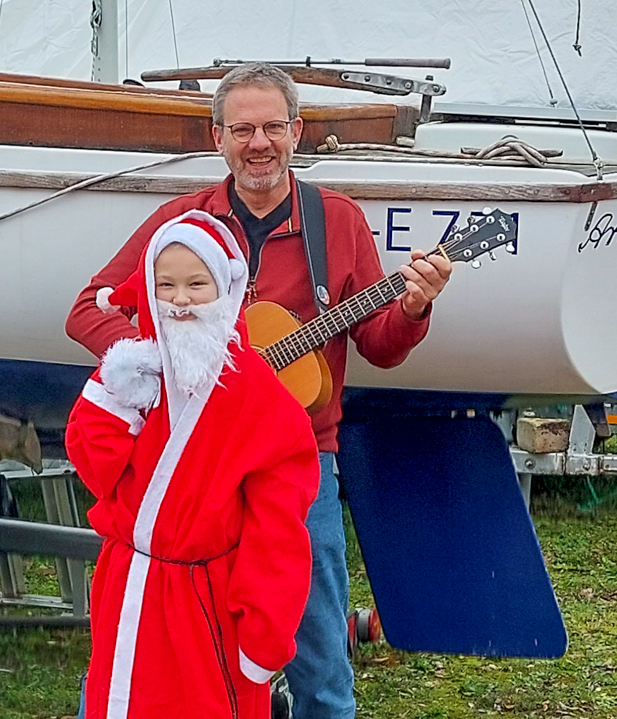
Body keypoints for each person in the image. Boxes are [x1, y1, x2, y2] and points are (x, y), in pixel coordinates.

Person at [67, 62, 453, 719]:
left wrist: (413, 309)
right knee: (144, 629)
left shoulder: (337, 223)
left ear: (297, 131)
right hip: (191, 464)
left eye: (273, 126)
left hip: (301, 462)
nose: (259, 143)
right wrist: (156, 361)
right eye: (242, 128)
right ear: (216, 136)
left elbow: (380, 347)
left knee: (318, 653)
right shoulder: (181, 224)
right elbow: (87, 309)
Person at [66, 209, 320, 719]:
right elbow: (98, 475)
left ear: (224, 288)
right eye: (166, 285)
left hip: (206, 604)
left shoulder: (259, 396)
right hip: (129, 584)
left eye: (196, 284)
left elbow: (277, 529)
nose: (180, 300)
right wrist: (110, 392)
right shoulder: (139, 373)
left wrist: (263, 634)